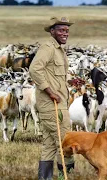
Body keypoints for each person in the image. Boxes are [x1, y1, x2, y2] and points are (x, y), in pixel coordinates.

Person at [29, 16, 74, 180]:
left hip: (56, 104)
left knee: (48, 145)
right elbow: (34, 70)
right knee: (66, 143)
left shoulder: (59, 49)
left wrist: (70, 82)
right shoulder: (48, 48)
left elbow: (53, 76)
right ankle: (66, 177)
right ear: (52, 31)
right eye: (62, 30)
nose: (65, 33)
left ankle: (44, 178)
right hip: (53, 105)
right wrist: (50, 92)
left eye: (67, 30)